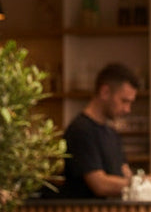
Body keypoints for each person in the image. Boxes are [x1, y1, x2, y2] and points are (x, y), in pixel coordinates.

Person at [60, 62, 141, 198]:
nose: (128, 109)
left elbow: (126, 174)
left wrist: (150, 182)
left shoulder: (112, 133)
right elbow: (100, 185)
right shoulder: (81, 130)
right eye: (124, 101)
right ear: (105, 92)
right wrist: (143, 184)